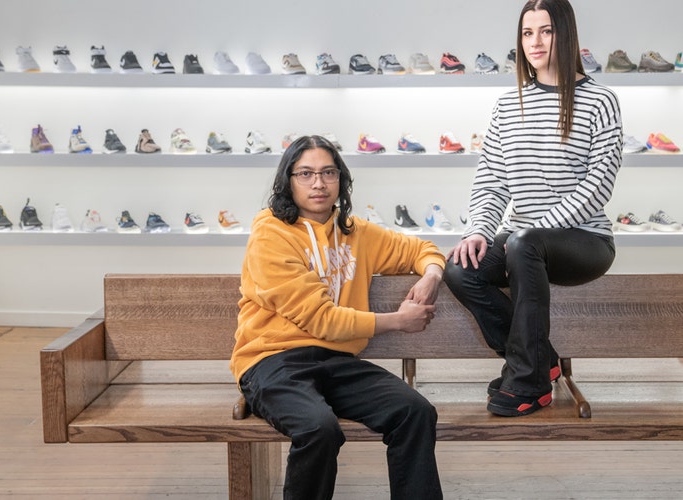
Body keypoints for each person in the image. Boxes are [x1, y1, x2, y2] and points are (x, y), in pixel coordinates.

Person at [230, 135, 446, 499]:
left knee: (415, 411)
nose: (319, 183)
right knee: (319, 429)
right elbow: (321, 319)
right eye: (306, 174)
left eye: (329, 172)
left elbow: (422, 249)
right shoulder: (270, 234)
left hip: (337, 361)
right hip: (272, 361)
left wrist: (432, 276)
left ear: (341, 180)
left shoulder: (354, 231)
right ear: (288, 181)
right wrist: (398, 319)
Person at [444, 0, 622, 417]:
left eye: (546, 31)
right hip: (524, 243)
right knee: (460, 268)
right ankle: (539, 362)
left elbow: (597, 188)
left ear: (566, 34)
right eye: (527, 33)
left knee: (524, 242)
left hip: (585, 241)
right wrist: (480, 232)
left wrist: (533, 234)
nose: (536, 42)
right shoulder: (508, 106)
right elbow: (491, 181)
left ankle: (529, 383)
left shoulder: (600, 101)